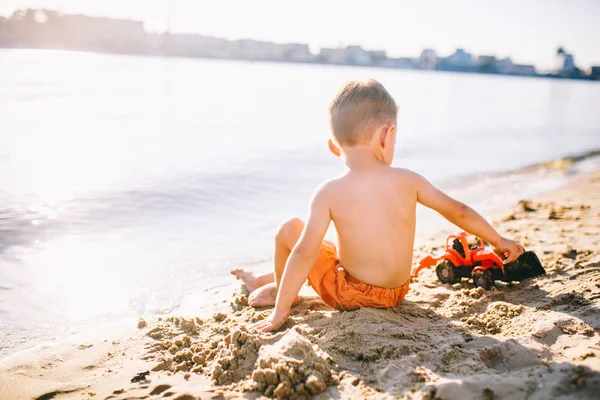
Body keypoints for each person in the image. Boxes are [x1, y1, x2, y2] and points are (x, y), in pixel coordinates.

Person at [231, 79, 524, 332]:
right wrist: (497, 240)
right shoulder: (410, 180)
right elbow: (457, 210)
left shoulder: (329, 192)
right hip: (397, 292)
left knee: (290, 231)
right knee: (329, 245)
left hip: (352, 295)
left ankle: (285, 296)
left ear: (334, 147)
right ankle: (272, 282)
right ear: (388, 136)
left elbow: (305, 251)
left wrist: (279, 314)